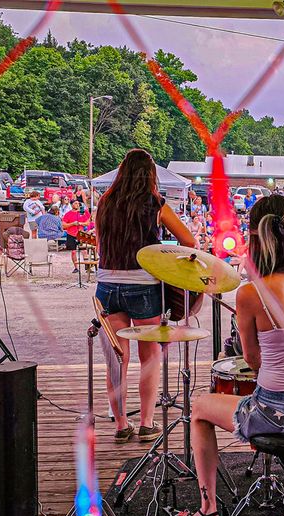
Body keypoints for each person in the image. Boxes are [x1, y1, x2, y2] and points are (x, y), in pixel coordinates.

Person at [175, 194, 284, 516]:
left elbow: (254, 362)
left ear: (255, 237)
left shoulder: (250, 294)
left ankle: (207, 511)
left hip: (273, 417)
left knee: (199, 407)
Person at [95, 149, 195, 443]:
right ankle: (148, 423)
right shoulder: (155, 204)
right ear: (150, 175)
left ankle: (121, 425)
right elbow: (188, 241)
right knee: (149, 356)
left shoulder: (105, 202)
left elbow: (102, 244)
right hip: (144, 287)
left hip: (107, 286)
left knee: (117, 359)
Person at [62, 201, 92, 273]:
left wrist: (80, 223)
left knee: (84, 251)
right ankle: (76, 268)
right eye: (75, 203)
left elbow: (88, 223)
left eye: (78, 203)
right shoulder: (68, 214)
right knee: (73, 252)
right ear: (72, 204)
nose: (77, 205)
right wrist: (72, 224)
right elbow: (63, 226)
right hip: (71, 234)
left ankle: (87, 267)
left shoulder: (83, 212)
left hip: (81, 234)